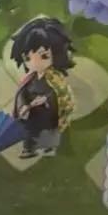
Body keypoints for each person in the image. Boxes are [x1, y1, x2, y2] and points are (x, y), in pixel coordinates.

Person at [10, 17, 75, 158]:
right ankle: (29, 149)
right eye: (27, 58)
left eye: (44, 56)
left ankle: (49, 147)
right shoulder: (29, 78)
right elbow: (22, 93)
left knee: (49, 130)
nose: (34, 62)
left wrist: (45, 99)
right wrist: (23, 105)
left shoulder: (56, 79)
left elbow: (59, 94)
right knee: (30, 130)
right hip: (32, 112)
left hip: (48, 111)